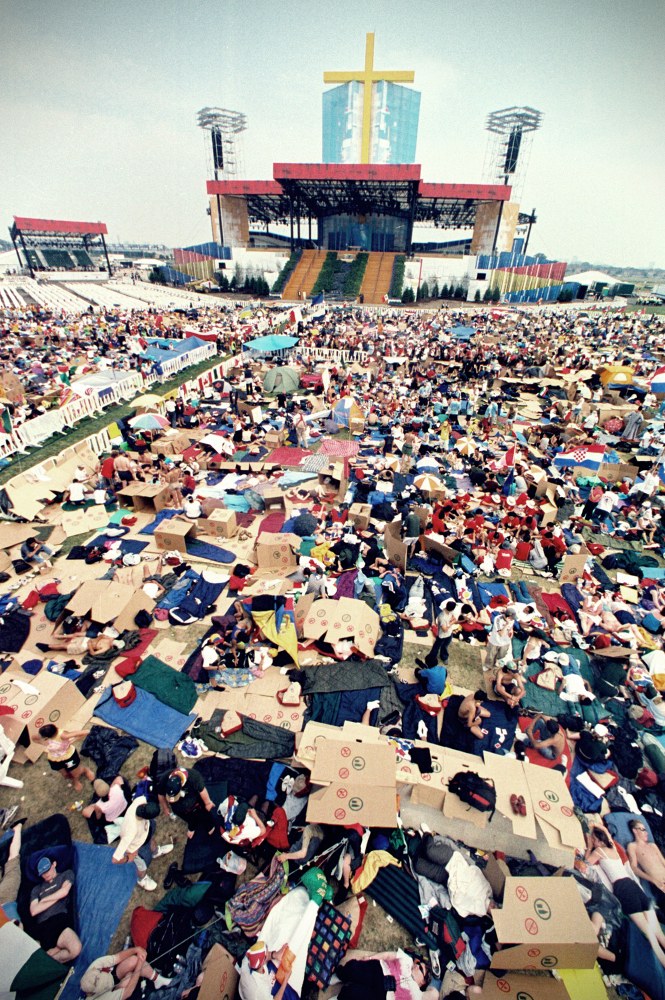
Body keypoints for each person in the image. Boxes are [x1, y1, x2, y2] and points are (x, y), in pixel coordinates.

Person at [585, 824, 665, 968]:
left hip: (623, 888)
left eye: (594, 840)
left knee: (650, 935)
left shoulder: (599, 851)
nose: (593, 842)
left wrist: (589, 847)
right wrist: (596, 826)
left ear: (599, 841)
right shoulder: (613, 848)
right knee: (658, 933)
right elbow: (607, 834)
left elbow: (585, 864)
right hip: (634, 886)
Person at [112, 795, 173, 890]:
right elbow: (115, 859)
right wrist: (128, 858)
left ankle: (156, 852)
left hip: (144, 834)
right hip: (135, 847)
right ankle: (142, 879)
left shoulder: (140, 800)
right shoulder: (131, 831)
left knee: (151, 839)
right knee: (142, 866)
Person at [29, 857, 82, 963]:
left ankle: (48, 964)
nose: (46, 875)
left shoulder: (65, 875)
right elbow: (34, 911)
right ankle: (50, 958)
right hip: (42, 926)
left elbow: (64, 892)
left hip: (59, 920)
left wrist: (44, 900)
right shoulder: (37, 889)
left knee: (75, 948)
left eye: (47, 870)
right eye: (43, 873)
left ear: (54, 864)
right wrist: (57, 896)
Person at [336, 950, 433, 999]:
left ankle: (340, 996)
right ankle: (340, 975)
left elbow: (434, 994)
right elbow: (388, 955)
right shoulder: (407, 960)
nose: (417, 966)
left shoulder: (417, 995)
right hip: (380, 971)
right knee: (352, 969)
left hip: (384, 996)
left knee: (353, 994)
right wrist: (370, 958)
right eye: (418, 964)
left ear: (423, 981)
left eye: (421, 969)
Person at [80, 946, 171, 997]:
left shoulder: (95, 966)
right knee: (128, 980)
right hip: (112, 991)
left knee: (134, 960)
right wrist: (140, 965)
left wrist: (136, 950)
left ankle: (158, 980)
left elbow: (118, 957)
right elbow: (128, 992)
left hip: (113, 975)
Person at [158, 767, 217, 839]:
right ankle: (192, 826)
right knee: (187, 817)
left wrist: (208, 803)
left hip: (195, 801)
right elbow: (160, 794)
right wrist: (165, 807)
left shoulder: (194, 777)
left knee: (204, 813)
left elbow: (202, 790)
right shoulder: (164, 779)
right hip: (179, 808)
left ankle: (209, 825)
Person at [36, 724, 94, 791]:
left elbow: (86, 732)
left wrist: (73, 740)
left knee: (75, 773)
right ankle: (73, 777)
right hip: (54, 758)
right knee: (65, 775)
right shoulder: (42, 736)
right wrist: (43, 744)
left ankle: (84, 772)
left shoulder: (63, 735)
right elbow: (34, 738)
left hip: (68, 757)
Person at [627, 818, 665, 908]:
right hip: (659, 885)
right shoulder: (632, 846)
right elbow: (633, 868)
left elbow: (663, 862)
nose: (646, 833)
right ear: (635, 831)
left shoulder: (653, 845)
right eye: (643, 830)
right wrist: (653, 880)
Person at [0, 821, 24, 922]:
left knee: (13, 859)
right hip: (5, 900)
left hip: (5, 899)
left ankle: (17, 828)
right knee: (13, 859)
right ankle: (17, 828)